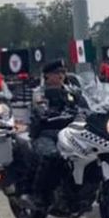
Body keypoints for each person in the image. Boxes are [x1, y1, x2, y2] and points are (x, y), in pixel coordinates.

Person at [25, 59, 77, 208]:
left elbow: (85, 104)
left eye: (63, 72)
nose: (61, 75)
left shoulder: (70, 91)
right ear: (47, 76)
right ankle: (39, 195)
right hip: (46, 133)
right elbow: (41, 109)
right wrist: (46, 112)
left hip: (69, 133)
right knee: (51, 156)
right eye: (56, 73)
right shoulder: (39, 92)